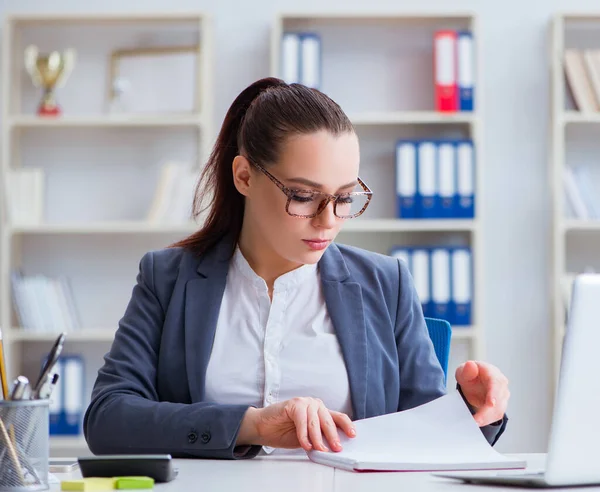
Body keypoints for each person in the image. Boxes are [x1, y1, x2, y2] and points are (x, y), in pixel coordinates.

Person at [84, 77, 510, 460]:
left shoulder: (386, 283)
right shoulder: (168, 277)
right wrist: (251, 426)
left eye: (345, 198)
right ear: (244, 176)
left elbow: (426, 437)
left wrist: (472, 414)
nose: (328, 220)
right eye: (304, 196)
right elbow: (108, 418)